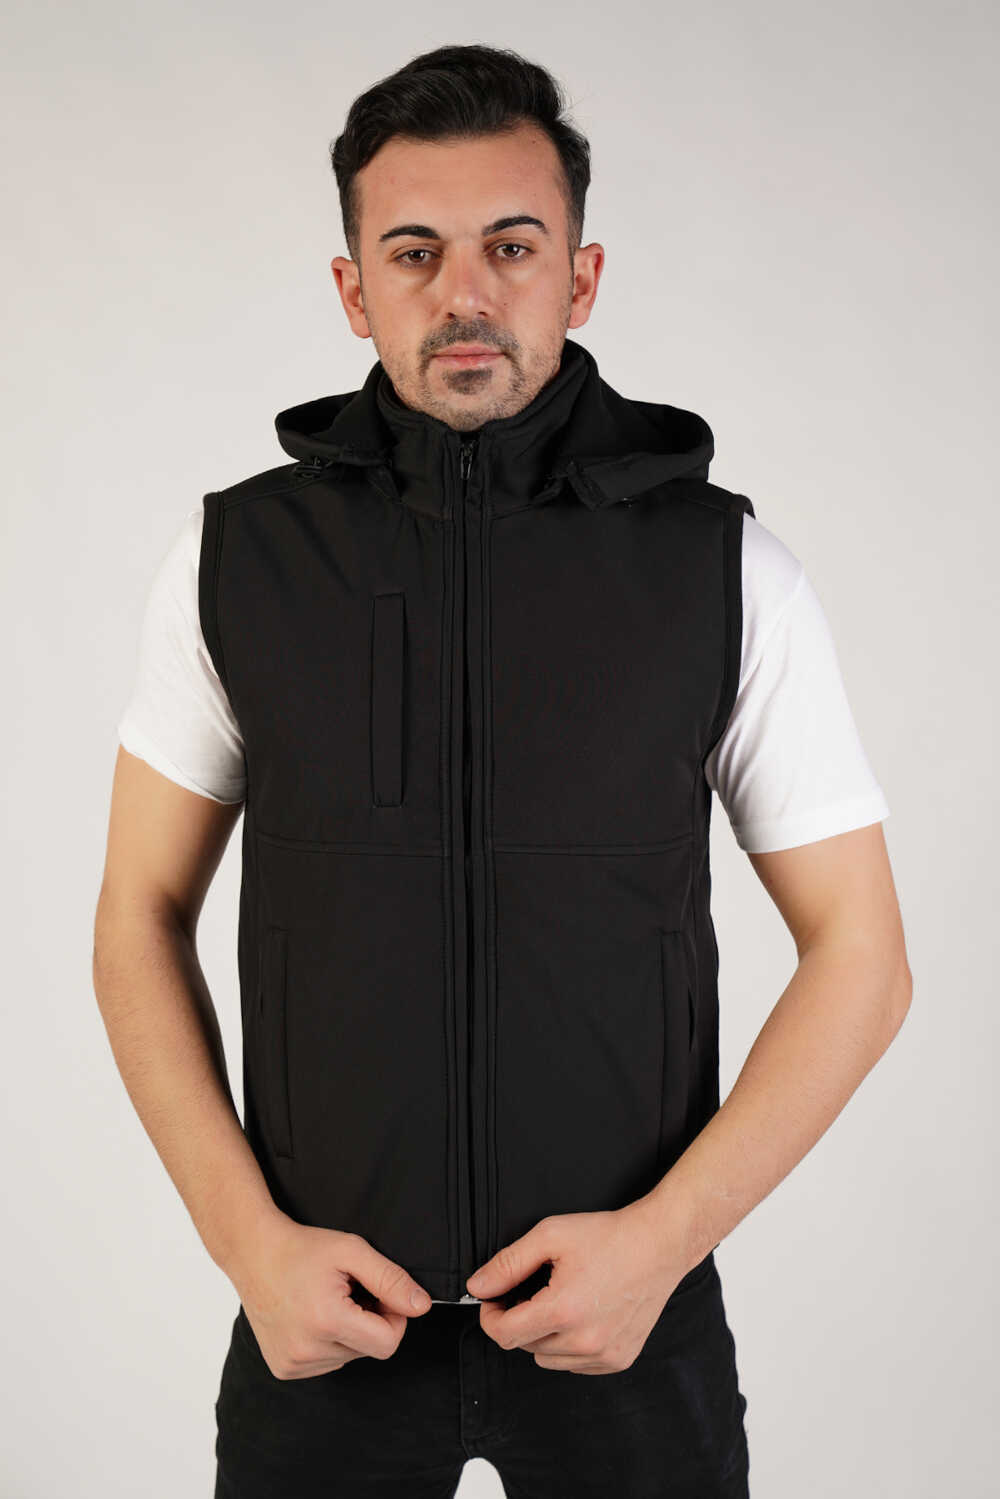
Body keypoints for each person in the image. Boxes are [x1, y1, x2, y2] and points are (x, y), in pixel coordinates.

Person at [93, 42, 912, 1499]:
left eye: (511, 248)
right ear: (354, 290)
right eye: (414, 253)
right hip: (323, 1324)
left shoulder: (724, 570)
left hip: (629, 1326)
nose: (463, 294)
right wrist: (247, 1244)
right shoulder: (237, 561)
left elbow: (865, 957)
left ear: (580, 278)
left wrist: (659, 1247)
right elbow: (135, 920)